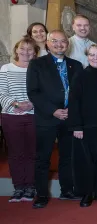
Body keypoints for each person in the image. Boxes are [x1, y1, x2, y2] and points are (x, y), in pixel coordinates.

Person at [26, 30, 83, 208]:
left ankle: (67, 190)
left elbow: (80, 93)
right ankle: (41, 194)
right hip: (47, 118)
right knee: (43, 158)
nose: (59, 44)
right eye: (55, 41)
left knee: (67, 157)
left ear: (68, 44)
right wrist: (54, 111)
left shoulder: (76, 65)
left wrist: (71, 112)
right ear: (48, 44)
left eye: (63, 41)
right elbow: (33, 92)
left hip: (69, 118)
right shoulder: (36, 64)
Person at [68, 44, 97, 207]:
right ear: (87, 57)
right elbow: (74, 102)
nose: (96, 58)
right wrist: (76, 126)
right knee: (86, 161)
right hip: (85, 126)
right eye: (92, 55)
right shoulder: (80, 75)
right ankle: (87, 192)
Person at [0, 37, 39, 202]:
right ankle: (18, 187)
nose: (26, 52)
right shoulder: (6, 68)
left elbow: (43, 92)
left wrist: (32, 104)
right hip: (11, 116)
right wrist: (16, 104)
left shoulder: (38, 69)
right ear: (16, 50)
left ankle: (30, 186)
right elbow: (1, 92)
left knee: (32, 153)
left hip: (34, 115)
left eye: (30, 49)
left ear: (35, 53)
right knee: (16, 153)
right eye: (22, 49)